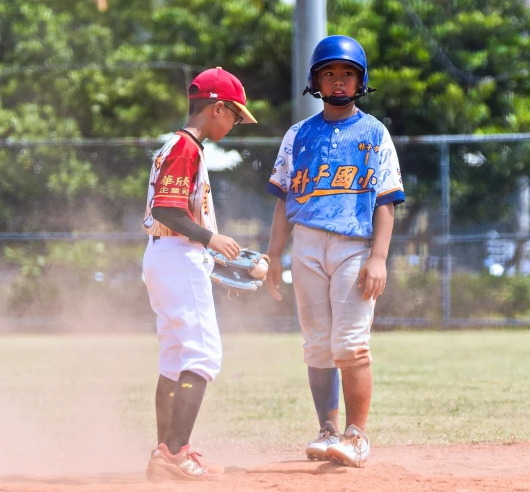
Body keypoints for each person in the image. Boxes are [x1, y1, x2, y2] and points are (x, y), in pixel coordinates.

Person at [265, 35, 405, 468]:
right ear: (315, 82)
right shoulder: (297, 135)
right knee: (317, 346)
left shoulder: (374, 132)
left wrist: (378, 258)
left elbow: (385, 201)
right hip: (306, 246)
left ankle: (357, 435)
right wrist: (273, 257)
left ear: (360, 81)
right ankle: (327, 431)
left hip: (353, 247)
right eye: (329, 73)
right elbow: (284, 202)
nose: (339, 81)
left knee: (350, 345)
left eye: (348, 73)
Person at [142, 67, 257, 481]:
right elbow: (166, 210)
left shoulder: (177, 145)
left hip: (164, 256)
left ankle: (166, 452)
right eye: (235, 116)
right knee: (203, 355)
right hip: (177, 254)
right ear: (217, 108)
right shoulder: (185, 148)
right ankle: (176, 453)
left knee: (175, 357)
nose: (236, 124)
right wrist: (211, 240)